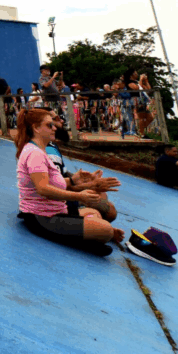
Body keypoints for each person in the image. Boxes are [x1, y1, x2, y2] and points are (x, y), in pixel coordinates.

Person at [14, 108, 124, 253]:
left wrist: (72, 180)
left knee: (95, 214)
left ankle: (91, 233)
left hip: (53, 211)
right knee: (106, 230)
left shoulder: (39, 150)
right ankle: (96, 235)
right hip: (42, 217)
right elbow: (43, 189)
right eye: (49, 125)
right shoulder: (35, 154)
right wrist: (80, 196)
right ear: (36, 128)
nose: (54, 128)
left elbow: (51, 182)